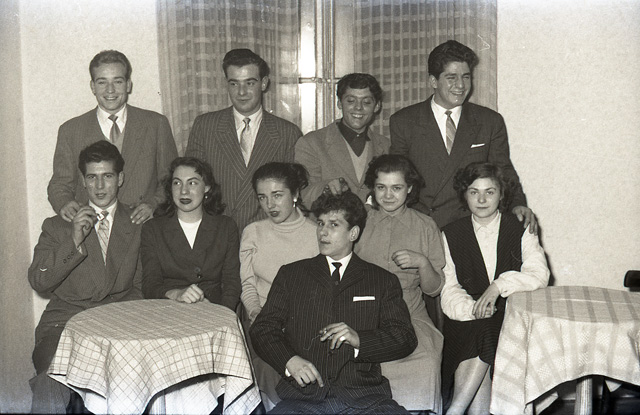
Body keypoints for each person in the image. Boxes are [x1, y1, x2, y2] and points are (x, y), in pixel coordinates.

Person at [250, 191, 417, 414]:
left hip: (365, 400)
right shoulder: (291, 275)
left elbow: (404, 338)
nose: (323, 232)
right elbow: (262, 328)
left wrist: (360, 340)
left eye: (334, 224)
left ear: (353, 233)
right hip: (303, 401)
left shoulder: (381, 280)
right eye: (320, 223)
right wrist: (289, 361)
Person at [29, 141, 143, 413]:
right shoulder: (58, 225)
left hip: (120, 324)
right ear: (82, 180)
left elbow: (143, 286)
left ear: (120, 178)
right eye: (92, 177)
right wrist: (74, 241)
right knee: (50, 381)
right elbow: (38, 280)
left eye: (108, 176)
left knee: (132, 383)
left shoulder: (138, 222)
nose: (100, 186)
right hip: (64, 326)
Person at [389, 40, 537, 233]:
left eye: (466, 77)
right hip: (423, 226)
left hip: (472, 226)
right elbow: (397, 177)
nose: (460, 85)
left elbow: (503, 171)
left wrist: (518, 204)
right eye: (451, 77)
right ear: (433, 81)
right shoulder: (404, 121)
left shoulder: (489, 121)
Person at [440, 162, 550, 415]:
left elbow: (539, 275)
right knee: (484, 330)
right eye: (474, 192)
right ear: (464, 195)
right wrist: (472, 309)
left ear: (501, 194)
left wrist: (498, 286)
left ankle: (455, 410)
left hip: (510, 316)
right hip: (464, 318)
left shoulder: (520, 228)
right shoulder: (450, 233)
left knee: (488, 331)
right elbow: (449, 287)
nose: (481, 199)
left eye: (489, 192)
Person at [355, 154, 445, 413]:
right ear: (373, 188)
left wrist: (422, 262)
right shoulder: (359, 221)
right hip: (363, 311)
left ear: (410, 189)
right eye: (381, 187)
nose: (388, 195)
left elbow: (433, 289)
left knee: (426, 360)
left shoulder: (425, 225)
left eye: (396, 188)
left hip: (410, 313)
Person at [48, 50, 178, 225]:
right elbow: (59, 185)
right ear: (92, 86)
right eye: (102, 82)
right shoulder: (71, 131)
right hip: (93, 230)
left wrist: (154, 204)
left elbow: (171, 179)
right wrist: (65, 203)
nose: (110, 90)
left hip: (143, 227)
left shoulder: (156, 124)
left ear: (128, 85)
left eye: (118, 81)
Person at [185, 48, 303, 231]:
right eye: (234, 83)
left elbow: (294, 195)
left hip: (268, 233)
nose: (241, 92)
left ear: (264, 83)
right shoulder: (205, 126)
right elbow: (192, 184)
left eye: (250, 83)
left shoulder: (288, 133)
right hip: (216, 233)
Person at [240, 162, 319, 410]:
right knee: (266, 367)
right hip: (263, 323)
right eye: (262, 197)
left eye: (277, 195)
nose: (270, 205)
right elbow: (247, 284)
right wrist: (255, 311)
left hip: (304, 324)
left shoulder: (317, 234)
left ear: (295, 194)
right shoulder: (253, 232)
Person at [140, 157, 241, 310]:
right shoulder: (153, 229)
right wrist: (176, 294)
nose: (184, 191)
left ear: (207, 187)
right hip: (168, 309)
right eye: (177, 183)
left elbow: (232, 283)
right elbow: (150, 285)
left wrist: (219, 313)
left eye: (192, 183)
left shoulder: (226, 227)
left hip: (214, 309)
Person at [295, 73, 389, 205]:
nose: (358, 107)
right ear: (339, 103)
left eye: (366, 102)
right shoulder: (311, 143)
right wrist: (326, 188)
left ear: (377, 106)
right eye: (351, 101)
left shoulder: (386, 145)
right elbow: (304, 195)